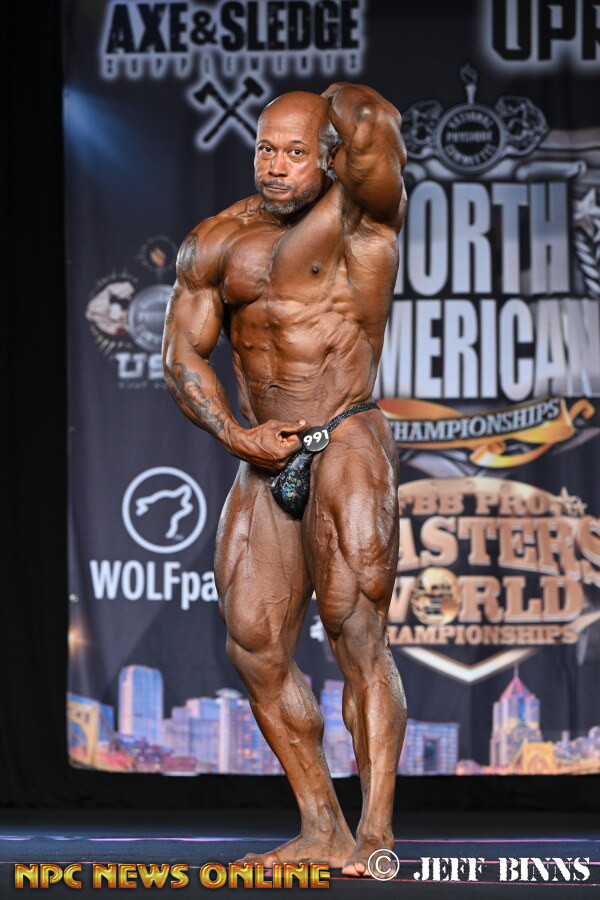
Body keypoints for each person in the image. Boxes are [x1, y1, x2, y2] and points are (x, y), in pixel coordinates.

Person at [162, 82, 407, 876]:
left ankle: (374, 832)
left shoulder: (362, 219)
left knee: (355, 631)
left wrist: (341, 102)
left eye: (296, 152)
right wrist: (237, 435)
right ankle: (320, 826)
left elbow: (377, 131)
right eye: (267, 148)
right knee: (254, 644)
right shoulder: (215, 241)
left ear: (329, 157)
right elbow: (181, 354)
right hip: (263, 449)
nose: (275, 165)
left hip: (346, 433)